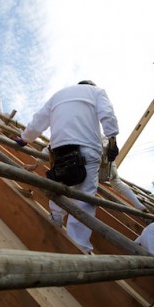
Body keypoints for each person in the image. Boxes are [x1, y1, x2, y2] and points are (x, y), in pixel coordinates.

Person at [15, 80, 119, 253]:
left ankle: (55, 218)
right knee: (84, 198)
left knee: (61, 183)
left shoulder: (58, 95)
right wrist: (112, 139)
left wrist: (25, 138)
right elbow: (107, 114)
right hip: (87, 148)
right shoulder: (97, 92)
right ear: (90, 85)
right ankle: (78, 246)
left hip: (60, 149)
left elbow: (39, 119)